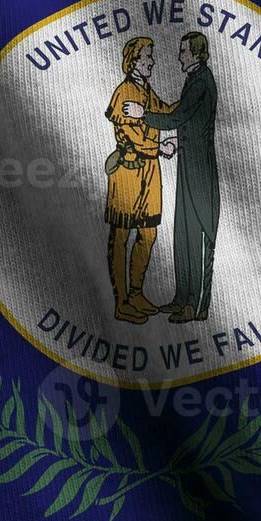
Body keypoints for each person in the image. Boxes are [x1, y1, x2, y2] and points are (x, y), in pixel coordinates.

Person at [123, 31, 218, 323]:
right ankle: (182, 299)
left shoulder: (202, 81)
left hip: (200, 171)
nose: (179, 57)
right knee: (183, 234)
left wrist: (143, 114)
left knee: (199, 235)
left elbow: (177, 118)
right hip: (188, 164)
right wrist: (177, 142)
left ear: (197, 54)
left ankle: (197, 307)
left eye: (184, 52)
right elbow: (191, 121)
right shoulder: (194, 79)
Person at [103, 36, 176, 324]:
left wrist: (191, 102)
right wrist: (159, 148)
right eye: (147, 57)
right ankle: (121, 302)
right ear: (133, 61)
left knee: (148, 233)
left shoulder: (146, 91)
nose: (152, 62)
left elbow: (164, 112)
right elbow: (132, 136)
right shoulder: (124, 93)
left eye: (151, 57)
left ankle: (136, 293)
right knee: (121, 235)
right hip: (128, 172)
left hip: (150, 172)